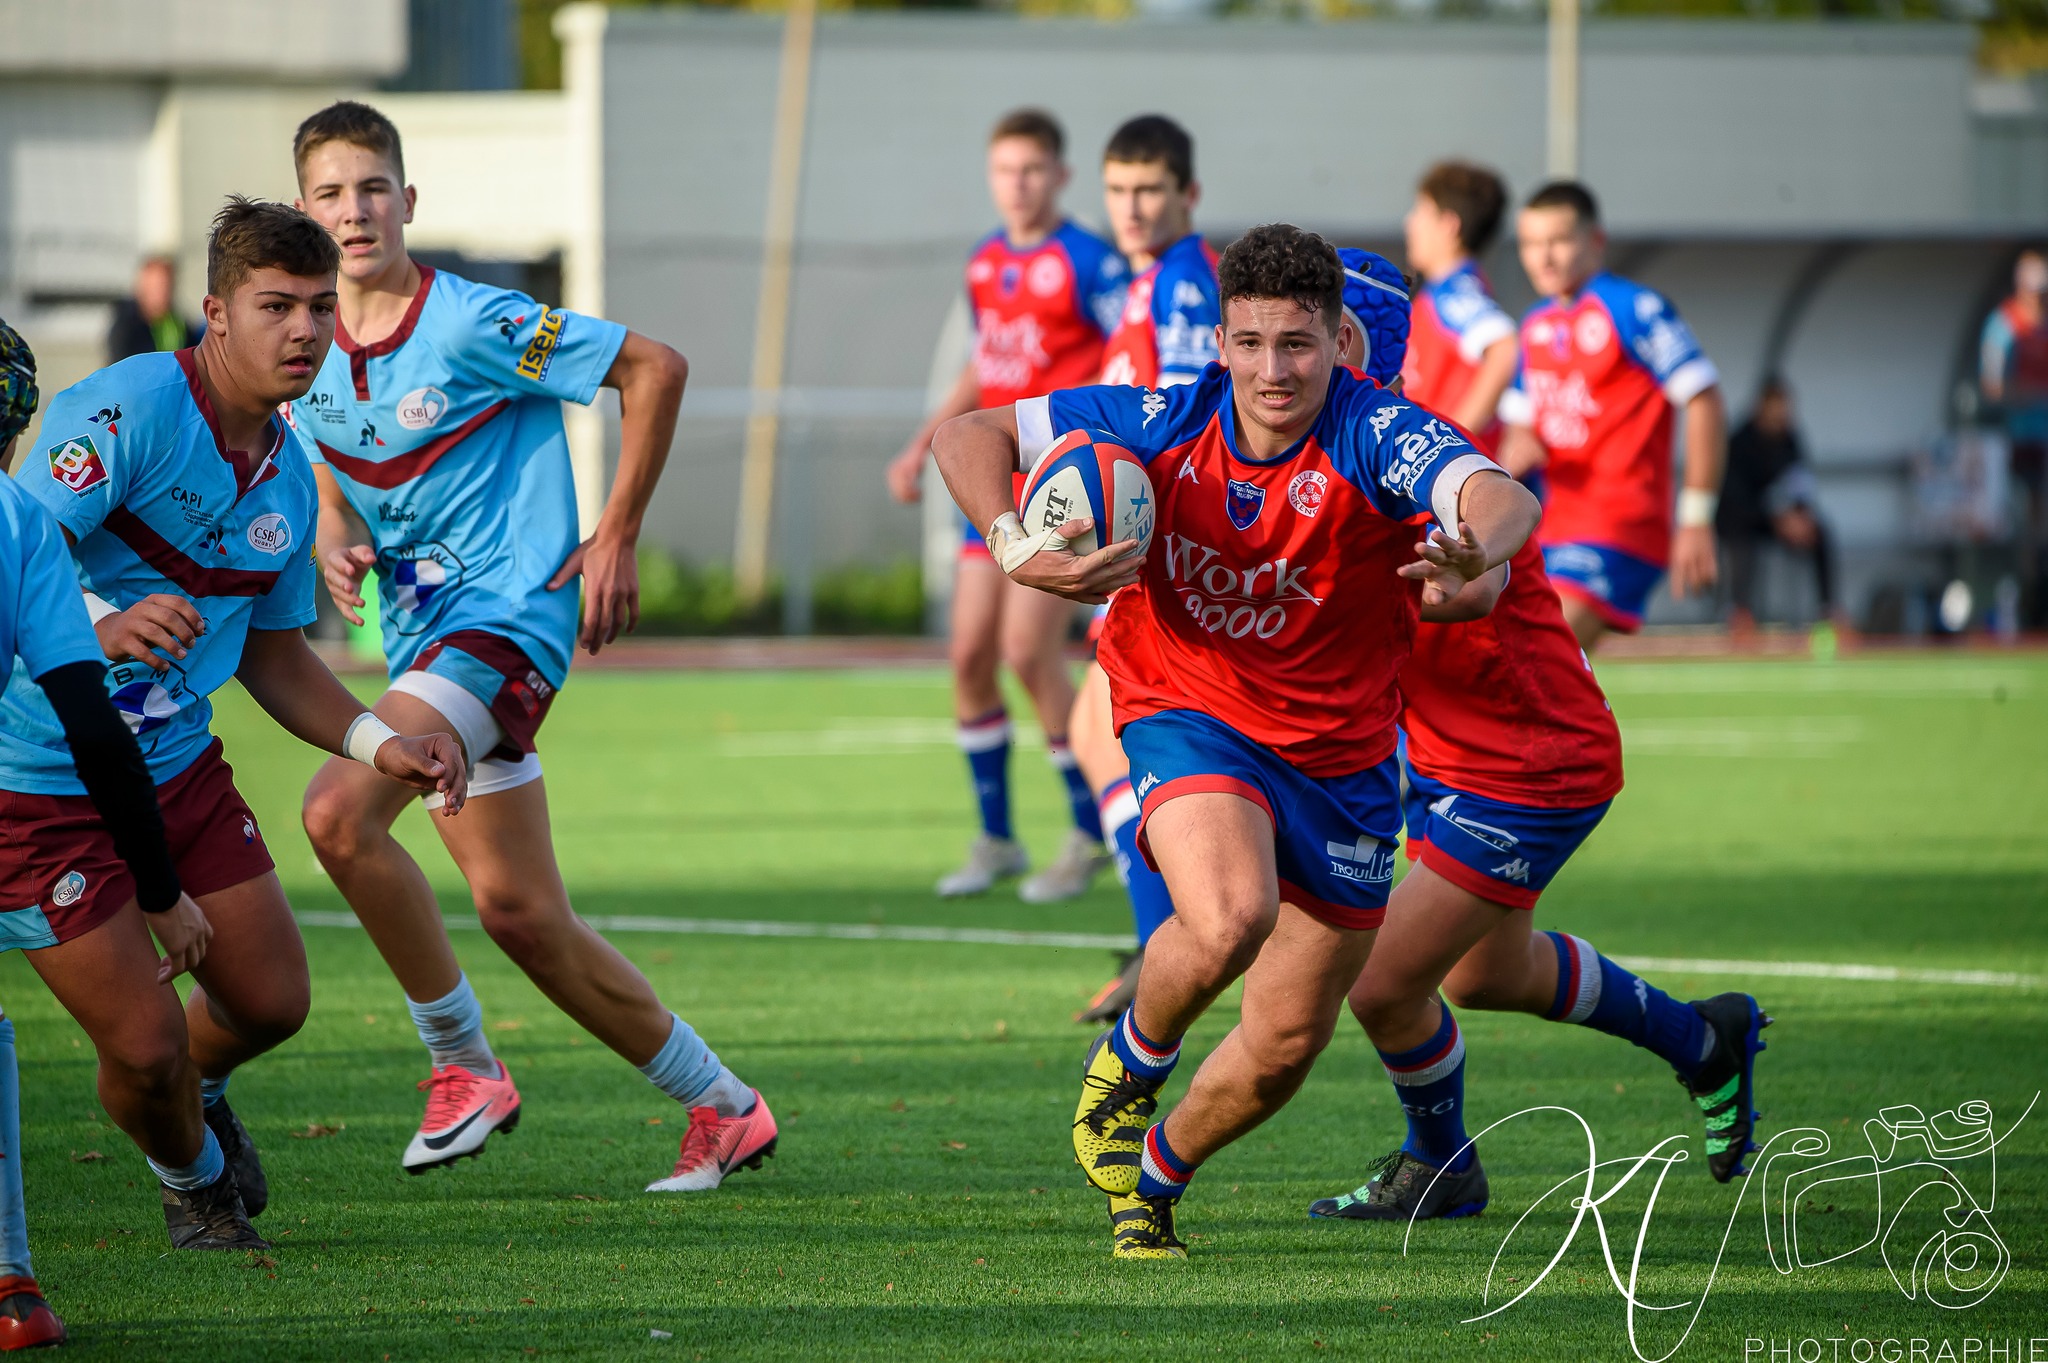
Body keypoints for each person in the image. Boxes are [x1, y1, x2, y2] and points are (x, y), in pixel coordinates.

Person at [936, 223, 1541, 1259]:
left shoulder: (1375, 430)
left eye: (1297, 344)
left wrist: (1472, 548)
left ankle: (1152, 1180)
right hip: (1188, 705)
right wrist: (1015, 546)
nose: (1273, 369)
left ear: (1334, 338)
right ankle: (1132, 1063)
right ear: (1219, 339)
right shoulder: (1160, 420)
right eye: (1251, 342)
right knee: (1228, 915)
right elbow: (968, 436)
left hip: (1342, 760)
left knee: (1284, 1043)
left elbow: (1499, 495)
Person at [288, 101, 778, 1193]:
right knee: (521, 915)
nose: (355, 210)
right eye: (330, 193)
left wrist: (615, 529)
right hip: (421, 644)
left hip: (505, 623)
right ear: (302, 212)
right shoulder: (308, 343)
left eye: (373, 187)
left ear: (408, 202)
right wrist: (330, 520)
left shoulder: (471, 321)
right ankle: (725, 1106)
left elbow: (655, 367)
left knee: (334, 811)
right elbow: (313, 434)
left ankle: (462, 1066)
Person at [0, 200, 467, 1252]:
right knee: (148, 1048)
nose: (305, 330)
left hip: (175, 772)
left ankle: (189, 1096)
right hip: (37, 783)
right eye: (276, 307)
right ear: (214, 312)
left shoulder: (291, 477)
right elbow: (12, 547)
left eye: (318, 308)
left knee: (270, 1001)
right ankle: (192, 1181)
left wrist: (374, 743)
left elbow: (269, 649)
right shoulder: (121, 414)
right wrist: (98, 621)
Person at [1304, 310, 1767, 1220]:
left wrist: (1438, 580)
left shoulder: (1426, 462)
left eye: (1304, 336)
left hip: (1531, 763)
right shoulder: (1318, 464)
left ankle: (1440, 1165)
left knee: (1383, 980)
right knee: (1483, 976)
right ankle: (1704, 1039)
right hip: (1451, 762)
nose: (1273, 363)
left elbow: (1479, 570)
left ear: (1353, 350)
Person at [886, 109, 1125, 901]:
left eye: (1032, 169)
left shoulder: (1091, 260)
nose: (1017, 184)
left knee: (1029, 651)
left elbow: (1127, 360)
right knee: (968, 655)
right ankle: (996, 837)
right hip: (989, 477)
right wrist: (926, 440)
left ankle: (1090, 830)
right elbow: (982, 365)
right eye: (1004, 170)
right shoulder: (986, 259)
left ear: (1060, 175)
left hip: (1057, 481)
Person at [1070, 115, 1218, 1024]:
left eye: (1150, 189)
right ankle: (1157, 937)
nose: (1132, 207)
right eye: (1119, 189)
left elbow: (1197, 416)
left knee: (1108, 739)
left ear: (1187, 195)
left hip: (1155, 550)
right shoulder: (1145, 284)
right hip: (1133, 544)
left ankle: (1165, 940)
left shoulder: (1184, 286)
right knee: (1099, 740)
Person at [1497, 181, 1726, 649]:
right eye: (1530, 244)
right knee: (1532, 677)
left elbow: (1702, 396)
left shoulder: (1634, 309)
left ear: (1594, 241)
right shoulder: (1535, 324)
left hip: (1618, 526)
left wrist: (1697, 516)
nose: (1544, 257)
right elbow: (1518, 421)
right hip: (1549, 527)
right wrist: (1520, 442)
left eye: (1558, 241)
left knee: (1534, 656)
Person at [1400, 161, 1519, 448]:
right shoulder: (1444, 290)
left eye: (1421, 210)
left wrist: (1447, 445)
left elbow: (1504, 349)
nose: (1410, 222)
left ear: (1449, 225)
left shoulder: (1454, 292)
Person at [1718, 377, 1841, 638]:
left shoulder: (1790, 439)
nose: (1781, 416)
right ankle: (1740, 614)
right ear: (1761, 408)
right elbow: (1735, 499)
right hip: (1742, 519)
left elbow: (1800, 483)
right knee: (1740, 540)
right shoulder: (1740, 441)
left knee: (1820, 532)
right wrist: (1777, 518)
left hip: (1779, 520)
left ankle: (1829, 611)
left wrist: (1800, 515)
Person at [1980, 249, 2048, 624]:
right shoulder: (2003, 325)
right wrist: (2025, 393)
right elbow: (1992, 386)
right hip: (2023, 441)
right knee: (2025, 527)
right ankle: (2026, 603)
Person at [106, 256, 204, 364]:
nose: (163, 293)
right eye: (158, 286)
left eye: (168, 286)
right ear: (143, 287)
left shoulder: (179, 324)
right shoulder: (125, 327)